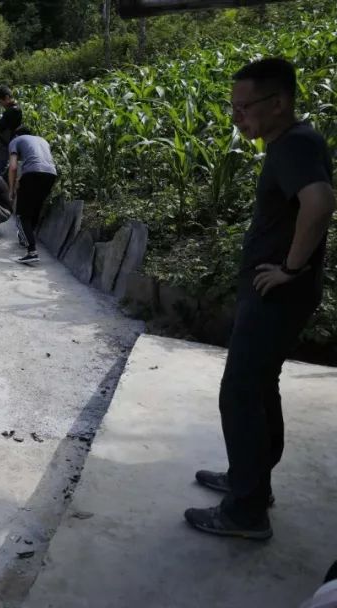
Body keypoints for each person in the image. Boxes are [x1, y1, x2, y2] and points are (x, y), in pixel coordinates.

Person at [185, 58, 334, 540]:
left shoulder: (294, 145)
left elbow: (321, 202)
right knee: (259, 388)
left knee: (241, 393)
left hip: (277, 294)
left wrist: (290, 268)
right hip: (274, 293)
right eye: (233, 107)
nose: (236, 117)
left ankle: (245, 512)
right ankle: (250, 481)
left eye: (244, 107)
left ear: (279, 103)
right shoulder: (292, 143)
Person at [7, 127, 58, 265]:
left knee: (22, 215)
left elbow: (12, 167)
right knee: (34, 209)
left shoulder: (15, 141)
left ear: (17, 135)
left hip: (32, 174)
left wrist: (11, 190)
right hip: (51, 174)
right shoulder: (42, 141)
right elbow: (39, 161)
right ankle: (26, 240)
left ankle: (32, 252)